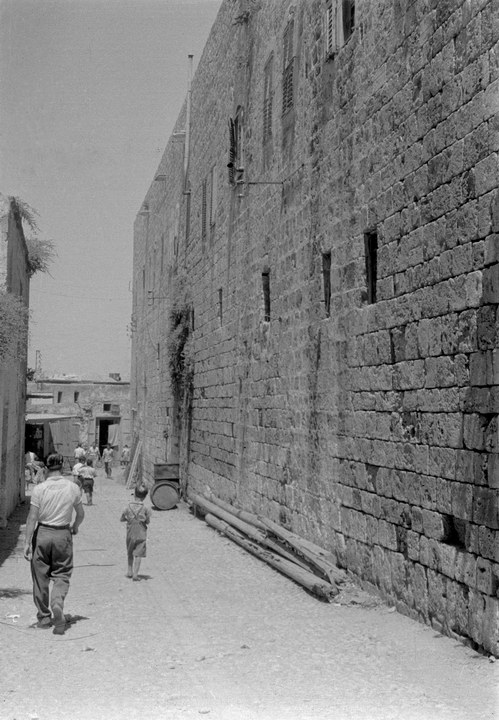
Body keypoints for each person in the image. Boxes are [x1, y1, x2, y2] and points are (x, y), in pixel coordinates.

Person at [23, 453, 84, 635]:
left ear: (46, 467)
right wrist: (75, 527)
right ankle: (57, 601)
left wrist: (27, 542)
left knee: (40, 576)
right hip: (62, 534)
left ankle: (44, 617)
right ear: (62, 465)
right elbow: (81, 514)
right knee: (62, 573)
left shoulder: (39, 489)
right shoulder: (73, 487)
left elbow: (32, 517)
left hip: (42, 534)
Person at [120, 485, 151, 581]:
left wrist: (128, 519)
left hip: (130, 532)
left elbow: (122, 518)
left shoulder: (127, 507)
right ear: (145, 496)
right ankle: (135, 574)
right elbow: (147, 521)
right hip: (141, 533)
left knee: (130, 552)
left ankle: (129, 571)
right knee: (138, 554)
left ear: (134, 494)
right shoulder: (146, 508)